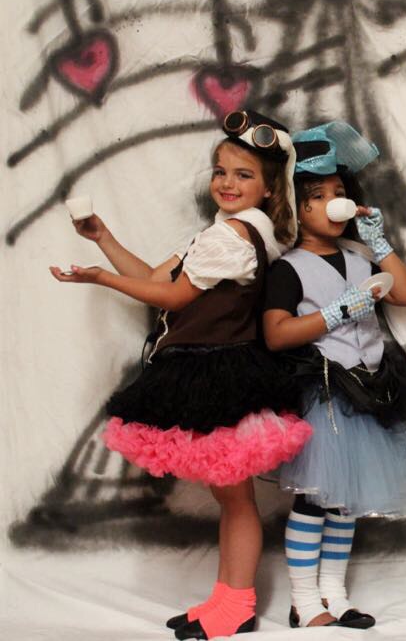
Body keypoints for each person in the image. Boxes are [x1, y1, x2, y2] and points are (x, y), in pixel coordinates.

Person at [51, 110, 312, 639]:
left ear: (267, 189)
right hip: (213, 369)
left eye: (243, 175)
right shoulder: (217, 235)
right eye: (220, 171)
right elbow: (152, 277)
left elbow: (169, 296)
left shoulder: (233, 239)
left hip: (221, 373)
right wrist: (103, 238)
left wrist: (100, 278)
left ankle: (235, 606)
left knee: (236, 498)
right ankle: (224, 599)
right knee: (229, 496)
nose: (227, 183)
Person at [262, 120, 406, 629]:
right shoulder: (287, 268)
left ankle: (335, 595)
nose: (332, 202)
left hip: (370, 391)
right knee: (315, 498)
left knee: (348, 501)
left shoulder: (360, 258)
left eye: (339, 192)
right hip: (325, 396)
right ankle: (303, 601)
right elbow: (277, 333)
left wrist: (380, 242)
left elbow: (405, 295)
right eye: (317, 195)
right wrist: (335, 314)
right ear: (295, 208)